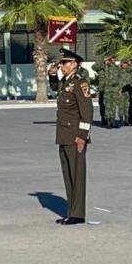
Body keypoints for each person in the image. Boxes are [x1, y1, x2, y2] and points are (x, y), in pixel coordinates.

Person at [55, 49, 92, 226]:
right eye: (61, 63)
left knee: (76, 175)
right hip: (64, 135)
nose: (61, 66)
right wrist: (51, 76)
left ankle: (78, 214)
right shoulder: (65, 82)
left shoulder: (80, 83)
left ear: (74, 64)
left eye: (64, 63)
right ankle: (72, 211)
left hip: (75, 136)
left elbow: (87, 112)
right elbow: (57, 92)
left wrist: (82, 136)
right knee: (68, 175)